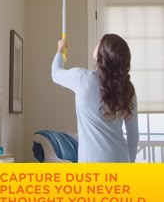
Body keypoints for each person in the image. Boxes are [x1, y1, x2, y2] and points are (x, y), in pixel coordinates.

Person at [51, 34, 139, 163]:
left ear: (102, 53)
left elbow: (56, 73)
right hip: (121, 161)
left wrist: (60, 49)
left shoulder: (82, 78)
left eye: (99, 42)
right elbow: (133, 136)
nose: (96, 44)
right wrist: (129, 164)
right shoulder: (128, 89)